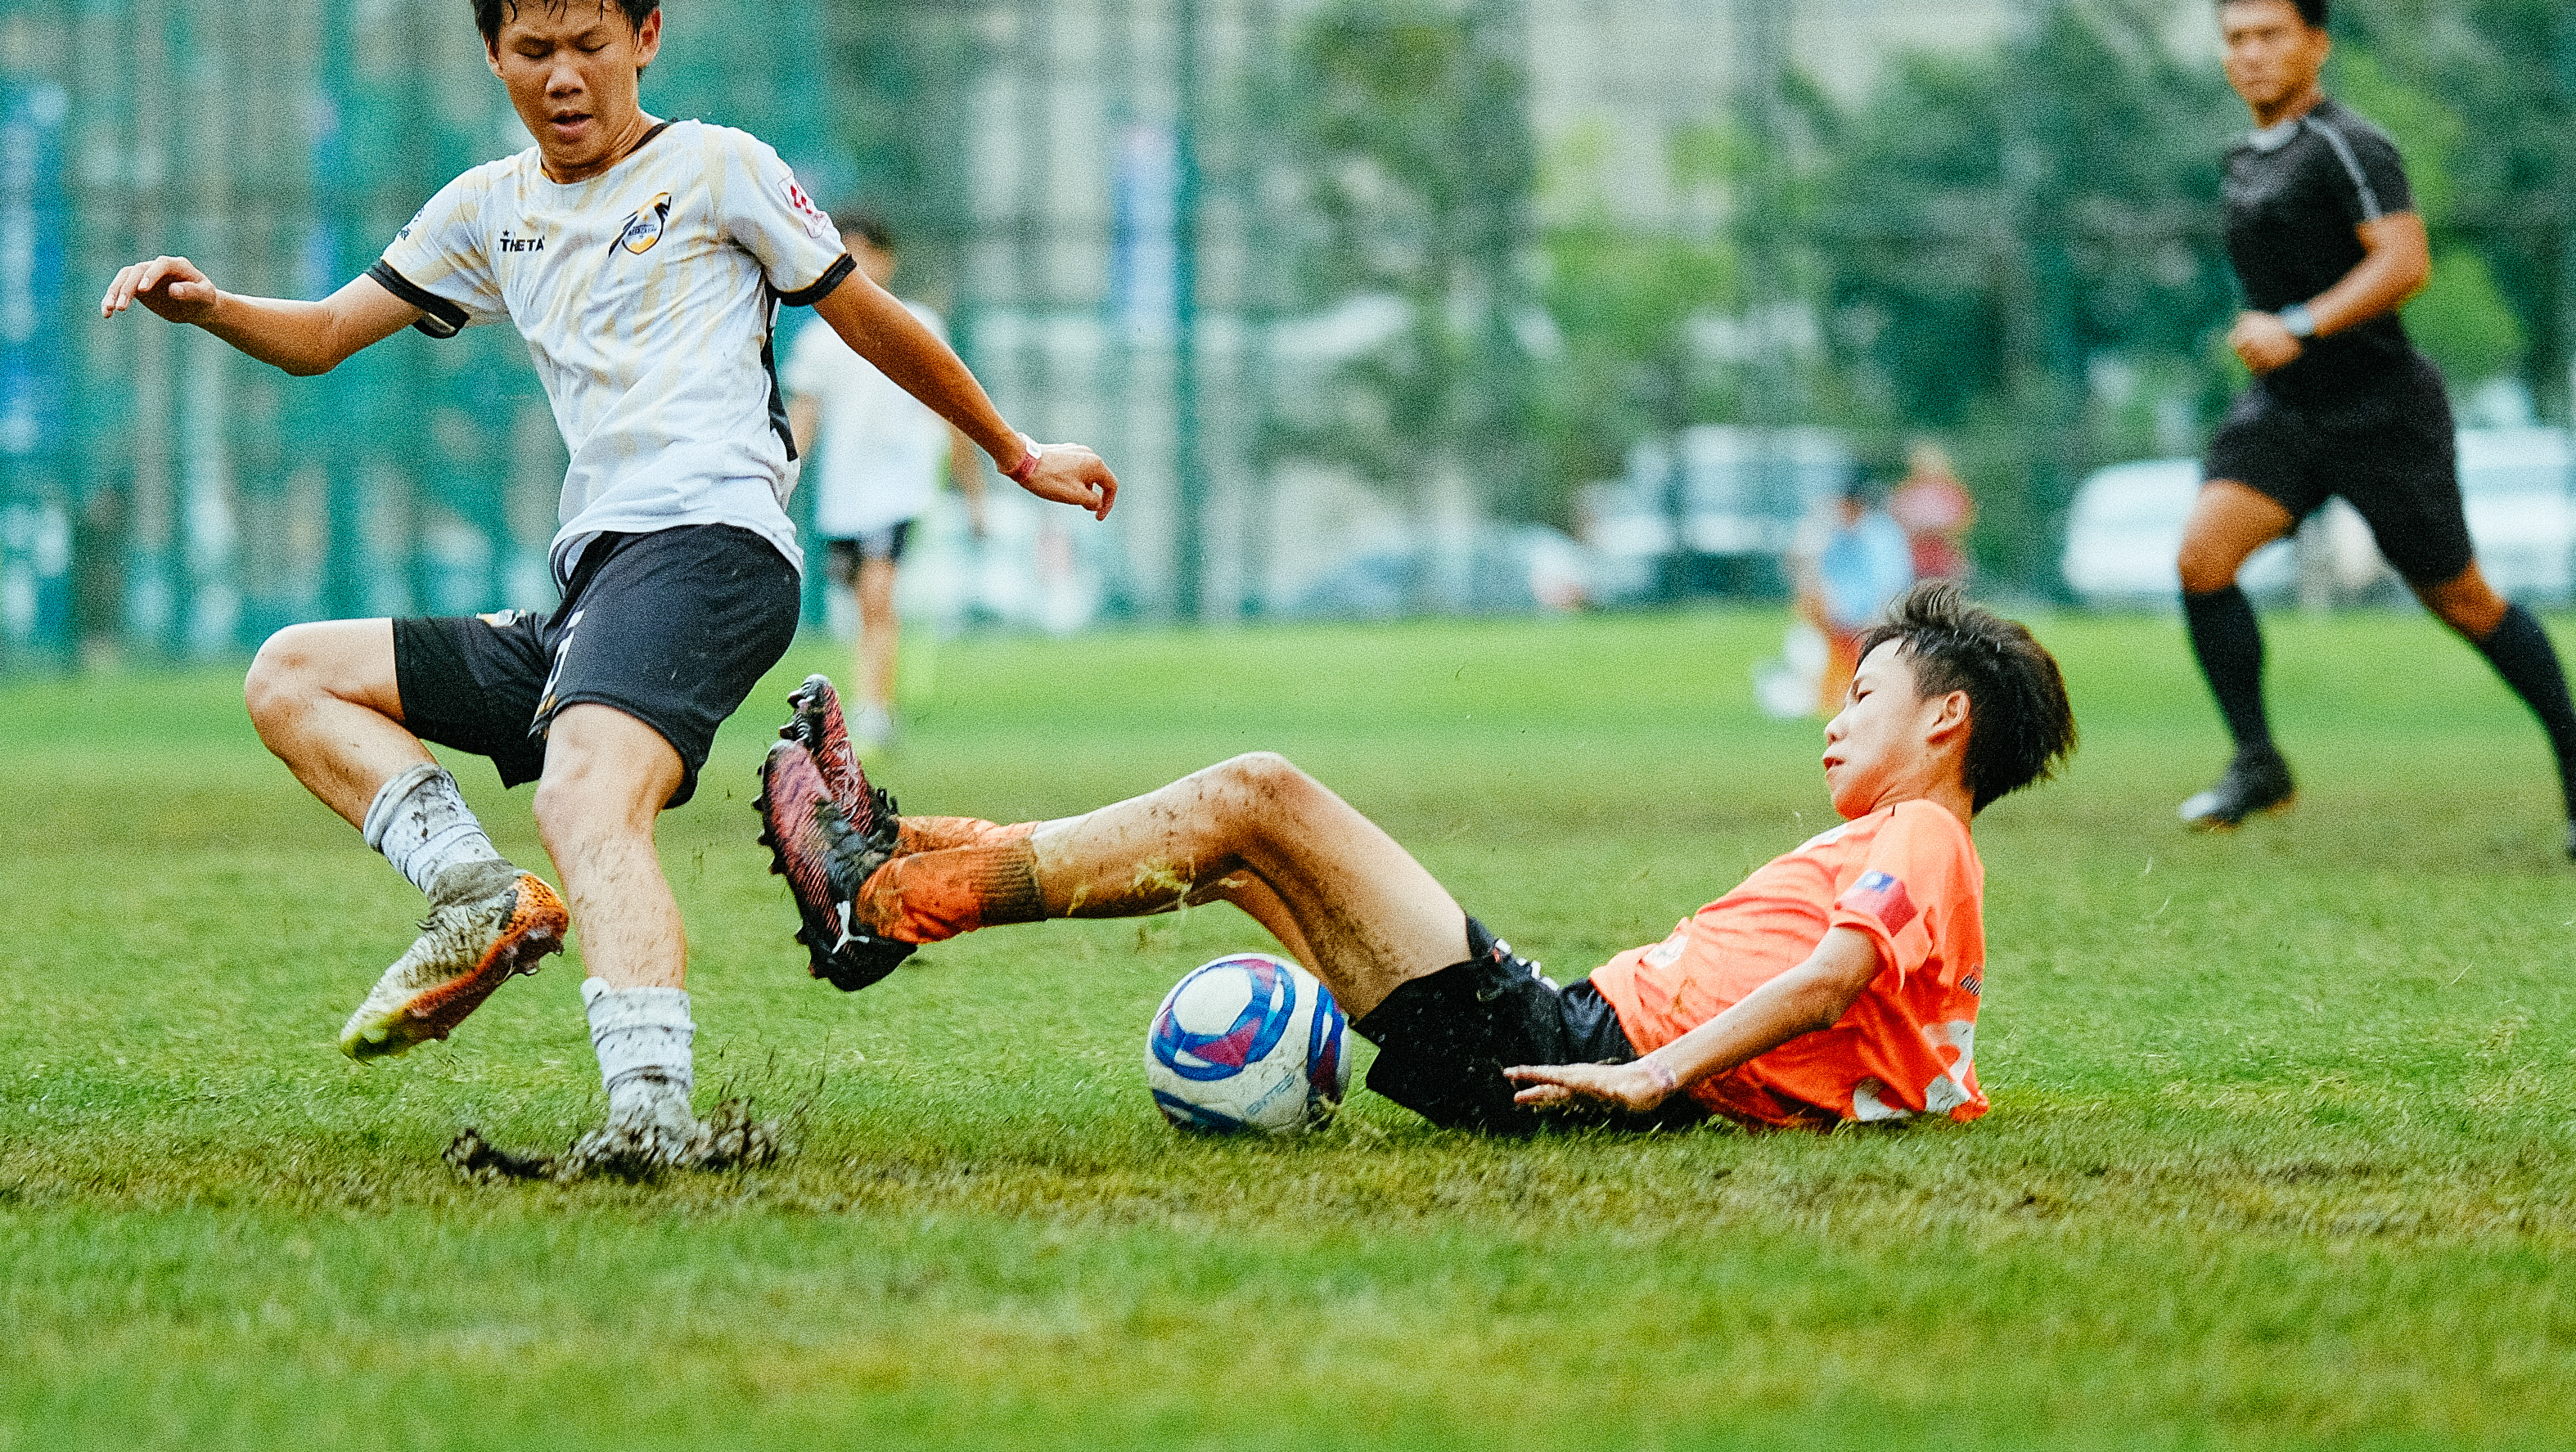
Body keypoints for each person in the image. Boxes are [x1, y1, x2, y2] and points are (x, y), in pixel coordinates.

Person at [100, 0, 1118, 1173]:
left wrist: (1015, 450)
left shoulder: (717, 168)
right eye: (534, 50)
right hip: (596, 585)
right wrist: (209, 304)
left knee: (588, 792)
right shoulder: (485, 209)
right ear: (494, 57)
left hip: (715, 548)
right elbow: (318, 337)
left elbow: (872, 320)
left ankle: (652, 1117)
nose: (563, 76)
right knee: (293, 671)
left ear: (645, 34)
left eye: (590, 43)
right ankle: (471, 895)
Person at [755, 582, 2073, 1133]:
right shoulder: (1907, 846)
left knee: (1259, 793)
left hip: (1578, 1049)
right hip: (1562, 1048)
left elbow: (1840, 980)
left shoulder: (1919, 833)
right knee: (1229, 850)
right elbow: (1906, 1059)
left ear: (1946, 721)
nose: (1837, 717)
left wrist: (1654, 1073)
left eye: (1866, 693)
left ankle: (888, 893)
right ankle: (897, 859)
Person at [2174, 0, 2576, 859]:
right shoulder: (2242, 156)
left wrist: (2299, 324)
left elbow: (2402, 261)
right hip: (2282, 411)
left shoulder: (2347, 143)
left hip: (2379, 413)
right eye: (2234, 37)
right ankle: (2256, 762)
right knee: (2203, 558)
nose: (2250, 53)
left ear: (2315, 44)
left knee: (2463, 601)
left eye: (2269, 34)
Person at [781, 210, 987, 753]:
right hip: (841, 498)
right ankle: (867, 701)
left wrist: (974, 497)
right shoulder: (819, 340)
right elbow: (805, 419)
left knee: (877, 595)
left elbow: (953, 410)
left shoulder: (916, 324)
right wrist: (777, 483)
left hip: (897, 488)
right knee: (859, 607)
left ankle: (874, 713)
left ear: (887, 259)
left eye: (867, 253)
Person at [1796, 479, 1913, 708]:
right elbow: (1811, 571)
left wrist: (1872, 618)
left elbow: (1892, 584)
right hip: (1837, 621)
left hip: (1872, 618)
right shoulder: (1834, 535)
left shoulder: (1882, 536)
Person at [1892, 439, 1975, 583]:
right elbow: (1899, 521)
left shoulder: (1950, 491)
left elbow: (1961, 522)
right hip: (1915, 558)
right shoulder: (1908, 490)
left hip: (1944, 556)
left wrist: (1933, 527)